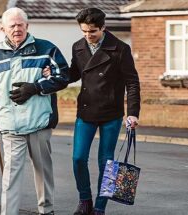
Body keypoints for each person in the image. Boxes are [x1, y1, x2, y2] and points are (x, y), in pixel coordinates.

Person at [43, 7, 140, 215]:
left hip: (111, 113)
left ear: (103, 27)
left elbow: (132, 82)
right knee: (78, 158)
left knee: (106, 163)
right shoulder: (78, 47)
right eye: (84, 31)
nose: (88, 36)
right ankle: (85, 199)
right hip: (86, 110)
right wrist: (55, 74)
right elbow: (74, 74)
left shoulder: (120, 49)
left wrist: (133, 112)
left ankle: (99, 207)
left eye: (92, 32)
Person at [0, 7, 69, 215]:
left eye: (21, 24)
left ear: (27, 26)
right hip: (10, 126)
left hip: (38, 123)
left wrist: (36, 87)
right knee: (10, 177)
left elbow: (63, 76)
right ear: (3, 29)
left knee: (43, 173)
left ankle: (47, 211)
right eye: (12, 25)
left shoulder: (46, 49)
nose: (17, 29)